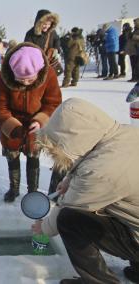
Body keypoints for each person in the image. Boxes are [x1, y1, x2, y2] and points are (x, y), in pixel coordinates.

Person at [33, 98, 139, 284]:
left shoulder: (101, 172)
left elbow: (67, 207)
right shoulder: (125, 133)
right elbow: (91, 152)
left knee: (68, 220)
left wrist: (43, 227)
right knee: (120, 203)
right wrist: (69, 179)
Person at [0, 43, 62, 202]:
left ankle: (32, 192)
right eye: (21, 79)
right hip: (11, 125)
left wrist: (41, 120)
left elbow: (53, 103)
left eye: (30, 79)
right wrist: (11, 125)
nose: (25, 83)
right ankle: (14, 189)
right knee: (12, 157)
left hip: (35, 124)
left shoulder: (48, 74)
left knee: (33, 157)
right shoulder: (4, 76)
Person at [25, 10, 62, 76]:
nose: (47, 26)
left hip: (49, 63)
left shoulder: (52, 32)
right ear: (39, 23)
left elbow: (57, 40)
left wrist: (56, 49)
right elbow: (27, 49)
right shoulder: (30, 34)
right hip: (36, 65)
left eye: (49, 24)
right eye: (45, 24)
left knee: (49, 79)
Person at [127, 18, 139, 82]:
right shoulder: (135, 30)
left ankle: (137, 77)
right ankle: (134, 77)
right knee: (133, 64)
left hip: (137, 49)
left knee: (137, 65)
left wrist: (133, 36)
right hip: (133, 50)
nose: (134, 24)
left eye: (135, 22)